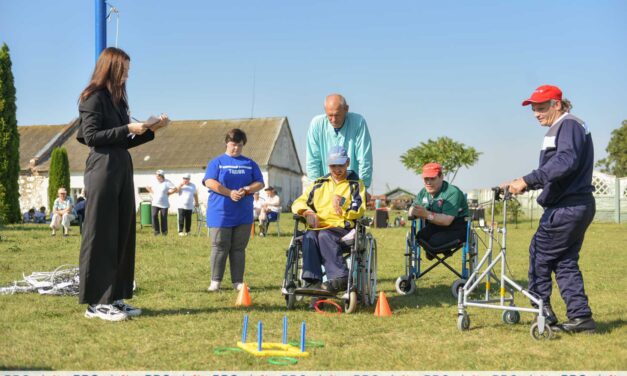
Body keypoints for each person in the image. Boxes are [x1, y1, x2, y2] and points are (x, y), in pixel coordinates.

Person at [77, 47, 169, 321]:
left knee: (122, 234)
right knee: (101, 234)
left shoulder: (118, 101)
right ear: (112, 67)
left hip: (120, 164)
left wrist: (151, 129)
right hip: (102, 167)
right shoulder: (92, 97)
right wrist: (128, 128)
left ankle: (115, 297)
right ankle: (96, 302)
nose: (128, 74)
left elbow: (122, 140)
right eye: (125, 68)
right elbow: (91, 136)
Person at [502, 85, 596, 334]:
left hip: (567, 208)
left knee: (539, 256)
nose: (536, 113)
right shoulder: (566, 126)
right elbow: (561, 171)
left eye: (541, 107)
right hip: (575, 204)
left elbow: (566, 162)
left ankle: (541, 313)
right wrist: (522, 184)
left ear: (557, 104)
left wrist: (528, 179)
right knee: (564, 261)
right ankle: (581, 318)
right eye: (533, 108)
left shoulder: (569, 125)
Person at [291, 145, 366, 294]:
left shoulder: (356, 184)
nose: (337, 169)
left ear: (348, 163)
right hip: (318, 227)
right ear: (328, 165)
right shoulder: (319, 183)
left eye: (341, 165)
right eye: (333, 165)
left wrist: (343, 203)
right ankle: (314, 282)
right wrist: (307, 212)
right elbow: (298, 202)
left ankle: (341, 278)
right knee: (309, 236)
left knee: (325, 235)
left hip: (342, 227)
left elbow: (359, 209)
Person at [203, 128, 264, 292]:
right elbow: (209, 181)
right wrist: (229, 193)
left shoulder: (250, 164)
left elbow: (260, 183)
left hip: (243, 214)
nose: (236, 148)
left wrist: (246, 190)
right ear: (226, 143)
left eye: (239, 145)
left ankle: (237, 282)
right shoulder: (217, 162)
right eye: (233, 144)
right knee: (220, 246)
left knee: (238, 248)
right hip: (220, 212)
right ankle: (215, 282)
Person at [306, 94, 373, 189]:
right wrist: (315, 189)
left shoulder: (358, 123)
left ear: (346, 109)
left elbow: (364, 158)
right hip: (325, 189)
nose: (333, 120)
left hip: (352, 187)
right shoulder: (316, 124)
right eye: (330, 115)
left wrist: (362, 187)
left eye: (337, 115)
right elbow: (312, 160)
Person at [407, 162, 468, 257]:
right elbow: (413, 207)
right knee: (420, 236)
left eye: (432, 178)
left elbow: (447, 221)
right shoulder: (424, 192)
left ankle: (435, 250)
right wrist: (412, 212)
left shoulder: (452, 192)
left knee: (433, 243)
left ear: (441, 177)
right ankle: (436, 251)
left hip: (456, 226)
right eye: (426, 178)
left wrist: (426, 214)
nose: (428, 182)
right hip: (435, 225)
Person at [147, 170, 176, 236]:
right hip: (155, 203)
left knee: (163, 218)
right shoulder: (153, 181)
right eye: (156, 175)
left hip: (164, 204)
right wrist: (152, 192)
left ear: (162, 176)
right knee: (154, 216)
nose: (157, 177)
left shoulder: (167, 182)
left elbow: (175, 188)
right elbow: (147, 187)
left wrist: (169, 193)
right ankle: (157, 232)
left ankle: (164, 232)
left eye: (158, 176)